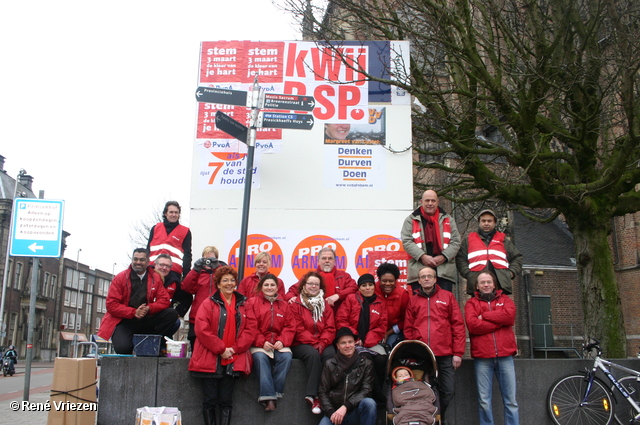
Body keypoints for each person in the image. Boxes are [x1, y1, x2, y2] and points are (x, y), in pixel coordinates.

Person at [188, 265, 256, 425]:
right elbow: (201, 329)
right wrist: (221, 349)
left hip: (233, 358)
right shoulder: (208, 303)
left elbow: (251, 329)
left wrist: (234, 349)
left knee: (226, 401)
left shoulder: (244, 303)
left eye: (232, 280)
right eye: (225, 280)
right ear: (218, 284)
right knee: (209, 400)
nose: (229, 283)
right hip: (210, 358)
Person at [404, 266, 465, 423]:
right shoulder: (413, 300)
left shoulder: (448, 297)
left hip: (445, 353)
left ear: (435, 279)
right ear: (418, 280)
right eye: (423, 276)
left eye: (429, 276)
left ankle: (438, 417)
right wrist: (413, 350)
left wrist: (458, 353)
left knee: (448, 390)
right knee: (423, 392)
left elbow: (457, 325)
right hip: (422, 354)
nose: (426, 279)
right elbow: (408, 328)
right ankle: (430, 420)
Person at [97, 248, 179, 354]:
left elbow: (164, 300)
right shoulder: (120, 278)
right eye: (135, 259)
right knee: (122, 349)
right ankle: (134, 344)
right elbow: (111, 305)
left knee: (171, 314)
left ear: (148, 262)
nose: (138, 262)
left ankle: (148, 341)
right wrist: (134, 312)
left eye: (142, 260)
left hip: (147, 318)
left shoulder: (155, 278)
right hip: (125, 321)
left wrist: (149, 308)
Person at [465, 271, 519, 425]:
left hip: (505, 356)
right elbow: (473, 326)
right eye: (482, 282)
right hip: (483, 358)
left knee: (511, 401)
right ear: (477, 286)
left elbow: (510, 317)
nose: (486, 285)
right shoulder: (471, 304)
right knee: (484, 401)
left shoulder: (505, 300)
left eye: (488, 282)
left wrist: (485, 316)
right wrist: (499, 321)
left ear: (494, 284)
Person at [289, 271, 337, 415]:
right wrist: (314, 342)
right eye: (310, 283)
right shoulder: (295, 303)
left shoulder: (325, 305)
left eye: (316, 284)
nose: (313, 286)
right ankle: (313, 396)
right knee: (313, 355)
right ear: (304, 285)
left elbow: (330, 327)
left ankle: (327, 393)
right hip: (301, 342)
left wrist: (322, 343)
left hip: (322, 341)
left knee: (331, 355)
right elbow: (297, 328)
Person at [246, 273, 295, 412]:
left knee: (286, 358)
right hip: (259, 343)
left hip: (279, 343)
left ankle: (274, 392)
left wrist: (282, 341)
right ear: (261, 287)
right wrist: (261, 342)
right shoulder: (252, 302)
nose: (269, 287)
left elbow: (290, 327)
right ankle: (269, 398)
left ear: (277, 287)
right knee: (261, 358)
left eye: (272, 285)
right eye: (266, 285)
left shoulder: (284, 305)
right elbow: (250, 325)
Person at [336, 273, 388, 400]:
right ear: (359, 288)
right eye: (364, 285)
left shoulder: (380, 302)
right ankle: (373, 392)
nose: (368, 288)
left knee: (382, 359)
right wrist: (355, 337)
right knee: (366, 358)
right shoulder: (351, 299)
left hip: (371, 341)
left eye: (370, 285)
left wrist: (367, 341)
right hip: (353, 340)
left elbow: (382, 326)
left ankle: (379, 389)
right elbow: (341, 320)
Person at [401, 190, 461, 293]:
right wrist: (422, 256)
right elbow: (407, 241)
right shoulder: (410, 220)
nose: (430, 203)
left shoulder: (448, 220)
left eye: (433, 201)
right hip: (418, 271)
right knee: (420, 306)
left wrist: (444, 257)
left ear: (438, 202)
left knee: (443, 306)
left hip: (443, 272)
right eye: (427, 200)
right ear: (421, 201)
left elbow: (456, 242)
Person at [456, 209, 523, 295]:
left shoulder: (503, 240)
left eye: (489, 221)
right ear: (479, 222)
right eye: (483, 221)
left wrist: (511, 273)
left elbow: (517, 257)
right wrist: (468, 274)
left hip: (500, 284)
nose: (486, 223)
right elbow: (460, 258)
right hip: (476, 285)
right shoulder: (468, 240)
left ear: (494, 223)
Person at [318, 327, 376, 425]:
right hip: (334, 413)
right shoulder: (329, 364)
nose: (347, 345)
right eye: (343, 343)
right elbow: (322, 391)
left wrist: (346, 407)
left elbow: (366, 390)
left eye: (350, 342)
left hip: (354, 411)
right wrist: (331, 413)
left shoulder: (366, 364)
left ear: (355, 343)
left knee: (369, 403)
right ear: (338, 346)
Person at [286, 247, 357, 312]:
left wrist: (338, 295)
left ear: (335, 261)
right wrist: (292, 297)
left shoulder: (344, 276)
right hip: (315, 316)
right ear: (318, 261)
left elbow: (354, 288)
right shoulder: (310, 277)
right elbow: (291, 291)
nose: (327, 261)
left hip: (339, 315)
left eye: (330, 258)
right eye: (324, 258)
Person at [182, 246, 225, 350]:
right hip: (198, 315)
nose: (209, 262)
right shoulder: (198, 273)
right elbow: (186, 287)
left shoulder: (222, 272)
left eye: (212, 259)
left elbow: (230, 285)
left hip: (217, 316)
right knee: (196, 346)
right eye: (206, 259)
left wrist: (217, 268)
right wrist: (195, 270)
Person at [147, 200, 192, 280]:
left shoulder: (185, 232)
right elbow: (148, 250)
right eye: (171, 212)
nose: (174, 215)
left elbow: (187, 255)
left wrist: (186, 276)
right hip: (153, 270)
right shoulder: (155, 228)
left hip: (173, 273)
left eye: (176, 212)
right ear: (165, 213)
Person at [375, 263, 410, 347]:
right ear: (379, 279)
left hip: (393, 331)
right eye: (384, 281)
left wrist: (388, 333)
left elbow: (406, 320)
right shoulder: (371, 291)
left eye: (391, 281)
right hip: (374, 330)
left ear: (396, 280)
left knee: (390, 346)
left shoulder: (403, 294)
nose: (387, 284)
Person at [153, 253, 181, 336]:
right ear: (155, 264)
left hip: (163, 315)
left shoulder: (175, 282)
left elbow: (185, 297)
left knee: (175, 321)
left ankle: (160, 341)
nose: (164, 268)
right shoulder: (146, 276)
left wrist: (179, 312)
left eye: (167, 266)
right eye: (161, 264)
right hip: (144, 314)